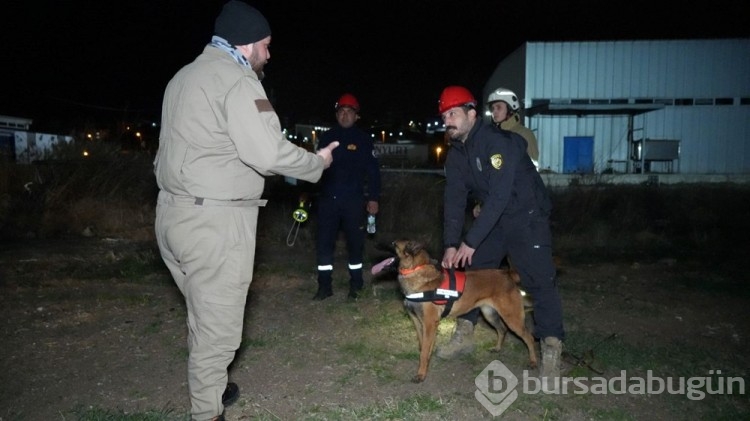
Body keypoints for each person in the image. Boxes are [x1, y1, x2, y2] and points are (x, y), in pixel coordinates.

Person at [153, 2, 339, 420]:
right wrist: (316, 164)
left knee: (204, 314)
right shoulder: (238, 81)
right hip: (215, 223)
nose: (269, 55)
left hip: (171, 217)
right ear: (247, 43)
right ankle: (208, 411)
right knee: (217, 331)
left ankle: (212, 386)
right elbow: (268, 153)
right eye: (267, 46)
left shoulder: (182, 78)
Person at [436, 85, 564, 387]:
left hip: (526, 216)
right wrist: (452, 245)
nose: (447, 121)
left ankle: (552, 348)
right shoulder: (456, 156)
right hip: (494, 221)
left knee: (539, 280)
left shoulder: (497, 142)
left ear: (471, 113)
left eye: (453, 113)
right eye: (444, 116)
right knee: (475, 274)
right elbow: (453, 202)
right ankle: (465, 335)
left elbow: (500, 196)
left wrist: (471, 240)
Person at [313, 93, 381, 300]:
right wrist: (306, 193)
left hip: (354, 201)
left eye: (349, 111)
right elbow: (314, 168)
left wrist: (374, 198)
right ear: (336, 115)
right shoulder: (326, 137)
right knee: (324, 245)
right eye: (341, 111)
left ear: (356, 116)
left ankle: (356, 286)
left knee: (355, 245)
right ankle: (324, 287)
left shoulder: (363, 140)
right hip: (327, 201)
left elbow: (373, 172)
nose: (344, 115)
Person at [473, 87, 539, 218]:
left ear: (510, 108)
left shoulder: (524, 135)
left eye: (499, 107)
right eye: (492, 109)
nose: (494, 112)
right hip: (495, 204)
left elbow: (531, 174)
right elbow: (489, 175)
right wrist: (481, 203)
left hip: (518, 206)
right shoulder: (492, 136)